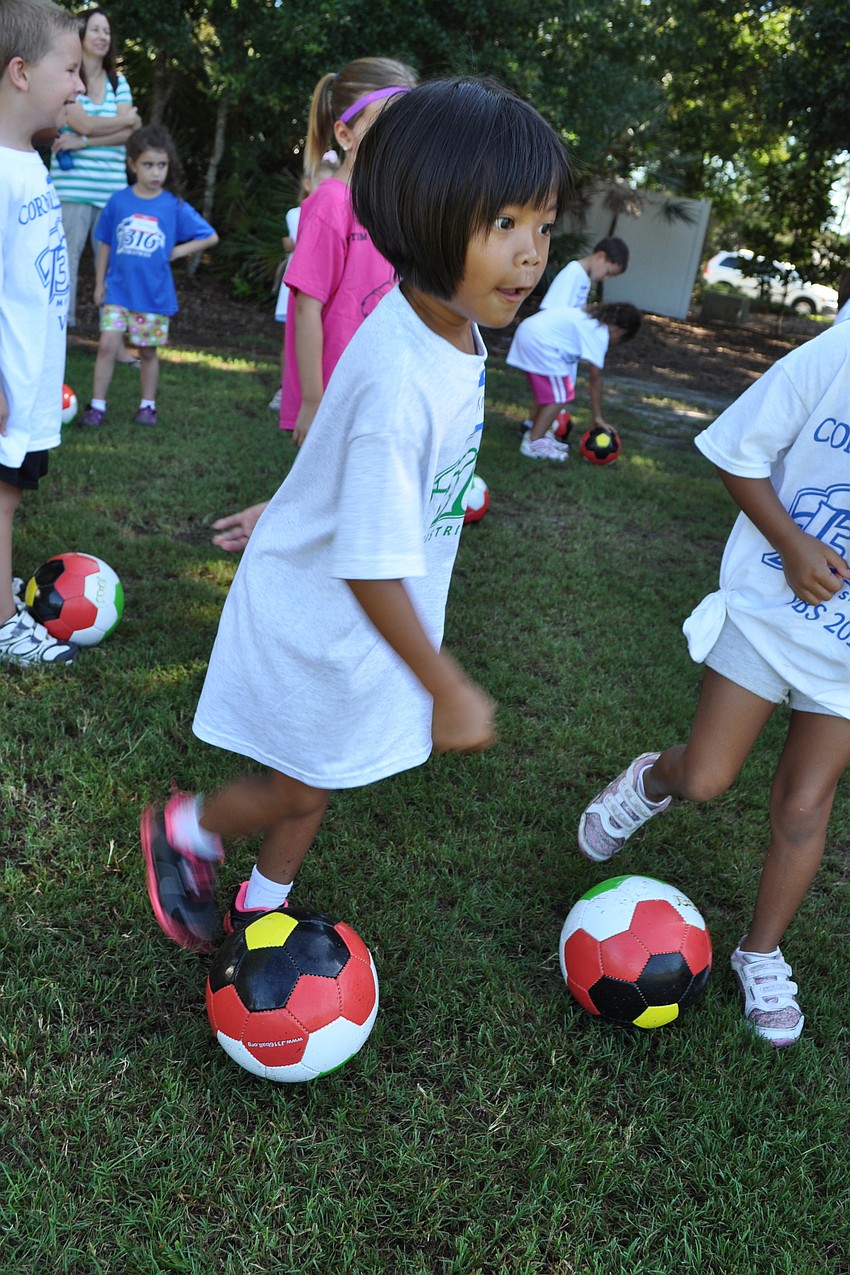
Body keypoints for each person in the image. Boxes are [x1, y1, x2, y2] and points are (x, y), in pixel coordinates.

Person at [140, 76, 572, 954]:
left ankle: (262, 905)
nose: (532, 255)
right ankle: (186, 829)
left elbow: (359, 478)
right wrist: (445, 683)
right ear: (424, 216)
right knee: (299, 786)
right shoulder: (401, 378)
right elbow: (369, 563)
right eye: (505, 225)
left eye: (544, 225)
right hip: (326, 616)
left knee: (322, 774)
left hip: (365, 618)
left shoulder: (449, 327)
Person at [577, 320, 850, 1047]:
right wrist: (793, 546)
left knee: (804, 803)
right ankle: (650, 781)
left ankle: (759, 951)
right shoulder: (837, 353)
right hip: (769, 607)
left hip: (846, 653)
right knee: (705, 776)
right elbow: (738, 450)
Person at [212, 55, 418, 553]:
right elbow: (306, 307)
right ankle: (271, 538)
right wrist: (312, 398)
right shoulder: (329, 203)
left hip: (379, 383)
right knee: (335, 500)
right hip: (334, 390)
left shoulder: (392, 210)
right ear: (345, 136)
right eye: (386, 124)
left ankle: (273, 531)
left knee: (355, 499)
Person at [0, 0, 84, 666]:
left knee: (10, 494)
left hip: (29, 373)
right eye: (72, 69)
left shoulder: (31, 162)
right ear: (21, 72)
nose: (81, 86)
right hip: (5, 379)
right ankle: (4, 624)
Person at [79, 124, 218, 428]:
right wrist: (99, 283)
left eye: (162, 165)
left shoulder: (172, 205)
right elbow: (105, 244)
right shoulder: (118, 202)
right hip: (117, 291)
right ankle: (97, 406)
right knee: (106, 345)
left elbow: (209, 236)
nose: (156, 172)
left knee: (147, 351)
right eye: (148, 165)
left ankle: (147, 405)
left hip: (153, 296)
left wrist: (179, 252)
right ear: (132, 165)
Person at [48, 6, 139, 331]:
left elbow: (131, 133)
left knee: (115, 262)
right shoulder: (68, 77)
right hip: (71, 188)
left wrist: (82, 141)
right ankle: (62, 325)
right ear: (81, 35)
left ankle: (111, 334)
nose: (102, 36)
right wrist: (119, 122)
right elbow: (85, 120)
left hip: (111, 189)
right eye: (96, 29)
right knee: (65, 259)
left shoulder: (118, 81)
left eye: (107, 31)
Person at [507, 301, 641, 461]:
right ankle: (534, 444)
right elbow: (595, 377)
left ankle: (537, 433)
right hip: (539, 341)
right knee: (561, 396)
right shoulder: (599, 333)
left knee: (550, 395)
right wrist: (597, 417)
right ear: (620, 331)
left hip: (530, 335)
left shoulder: (590, 320)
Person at [268, 153, 339, 412]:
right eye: (322, 184)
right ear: (308, 184)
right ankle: (284, 388)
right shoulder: (296, 214)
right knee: (290, 339)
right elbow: (309, 242)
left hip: (321, 288)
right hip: (298, 286)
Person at [540, 235, 629, 312]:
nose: (605, 278)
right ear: (600, 256)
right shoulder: (573, 271)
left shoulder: (585, 278)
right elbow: (550, 309)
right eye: (607, 272)